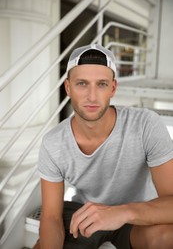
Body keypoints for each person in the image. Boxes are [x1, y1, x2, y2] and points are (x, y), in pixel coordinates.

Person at [33, 44, 173, 249]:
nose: (92, 96)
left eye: (101, 84)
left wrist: (122, 212)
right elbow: (52, 217)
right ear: (68, 88)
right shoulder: (53, 143)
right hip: (84, 213)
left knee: (168, 238)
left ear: (113, 88)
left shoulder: (146, 124)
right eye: (82, 83)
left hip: (136, 216)